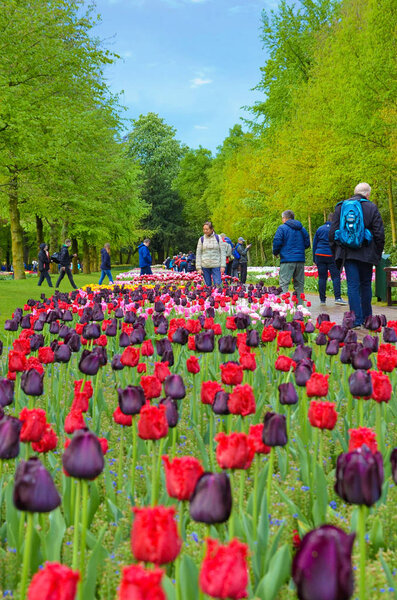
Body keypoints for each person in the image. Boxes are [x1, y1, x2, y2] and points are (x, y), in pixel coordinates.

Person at [329, 182, 385, 328]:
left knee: (352, 286)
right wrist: (377, 254)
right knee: (366, 285)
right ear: (368, 194)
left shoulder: (341, 207)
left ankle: (356, 319)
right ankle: (368, 318)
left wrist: (337, 253)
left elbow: (333, 233)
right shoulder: (371, 207)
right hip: (367, 253)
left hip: (348, 254)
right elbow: (379, 233)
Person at [272, 210, 310, 298]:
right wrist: (300, 249)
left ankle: (284, 307)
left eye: (282, 218)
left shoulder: (282, 228)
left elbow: (277, 241)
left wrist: (276, 252)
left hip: (287, 259)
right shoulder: (302, 229)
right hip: (300, 260)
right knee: (299, 285)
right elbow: (307, 243)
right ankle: (300, 307)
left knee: (284, 284)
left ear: (285, 218)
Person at [313, 214, 346, 306]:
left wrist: (314, 258)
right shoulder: (336, 229)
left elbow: (315, 244)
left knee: (322, 277)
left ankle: (322, 299)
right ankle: (338, 298)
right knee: (335, 277)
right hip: (332, 255)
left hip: (319, 254)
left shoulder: (320, 229)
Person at [196, 221, 226, 286]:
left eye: (207, 229)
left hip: (216, 265)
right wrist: (198, 268)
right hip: (205, 266)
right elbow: (198, 254)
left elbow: (223, 253)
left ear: (212, 229)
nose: (205, 231)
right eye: (204, 229)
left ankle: (217, 296)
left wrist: (223, 266)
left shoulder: (218, 238)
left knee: (217, 285)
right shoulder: (201, 239)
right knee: (207, 287)